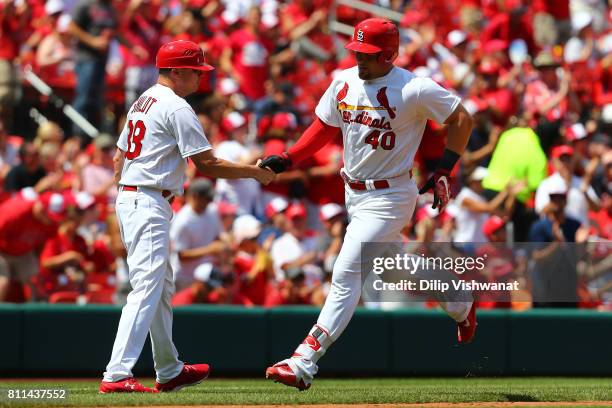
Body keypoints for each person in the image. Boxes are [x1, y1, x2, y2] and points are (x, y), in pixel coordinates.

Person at [258, 18, 475, 390]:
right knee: (391, 267)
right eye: (357, 52)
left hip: (391, 194)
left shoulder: (414, 87)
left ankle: (302, 359)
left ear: (390, 54)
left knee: (346, 272)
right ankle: (459, 300)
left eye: (370, 54)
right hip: (353, 193)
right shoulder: (343, 80)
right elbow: (325, 127)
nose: (360, 59)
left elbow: (462, 118)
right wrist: (289, 158)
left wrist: (444, 170)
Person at [100, 40, 274, 394]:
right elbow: (207, 165)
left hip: (138, 197)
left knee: (161, 288)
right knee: (147, 287)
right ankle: (116, 374)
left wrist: (133, 188)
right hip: (147, 200)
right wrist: (255, 173)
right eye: (195, 71)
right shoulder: (176, 107)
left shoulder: (142, 100)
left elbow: (119, 158)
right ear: (175, 71)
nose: (200, 78)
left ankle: (168, 368)